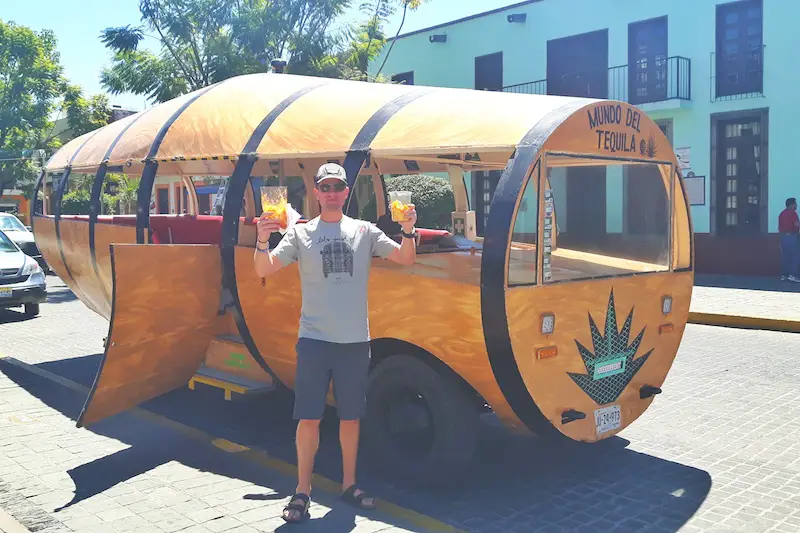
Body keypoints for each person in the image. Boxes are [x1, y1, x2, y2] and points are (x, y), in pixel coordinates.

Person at [253, 163, 417, 524]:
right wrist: (263, 238)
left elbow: (405, 258)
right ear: (316, 192)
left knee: (351, 418)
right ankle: (302, 490)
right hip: (314, 339)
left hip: (354, 342)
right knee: (308, 418)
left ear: (346, 193)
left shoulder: (365, 231)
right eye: (324, 186)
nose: (330, 192)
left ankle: (349, 484)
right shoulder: (301, 233)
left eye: (337, 187)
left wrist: (408, 230)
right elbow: (264, 269)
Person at [778, 197, 800, 282]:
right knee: (795, 256)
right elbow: (797, 225)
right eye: (795, 203)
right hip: (792, 236)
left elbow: (780, 227)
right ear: (791, 205)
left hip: (783, 237)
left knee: (785, 256)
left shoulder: (782, 213)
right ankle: (793, 275)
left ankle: (784, 275)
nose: (796, 205)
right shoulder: (793, 213)